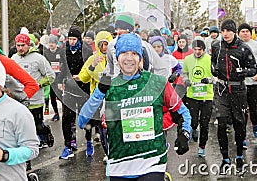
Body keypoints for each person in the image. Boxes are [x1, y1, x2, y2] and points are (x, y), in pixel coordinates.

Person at [78, 33, 192, 180]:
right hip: (119, 164)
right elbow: (82, 121)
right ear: (117, 58)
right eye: (124, 53)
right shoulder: (109, 86)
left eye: (134, 53)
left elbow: (183, 113)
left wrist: (185, 134)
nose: (129, 58)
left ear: (140, 58)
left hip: (152, 161)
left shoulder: (157, 82)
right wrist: (99, 92)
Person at [211, 19, 257, 174]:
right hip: (222, 90)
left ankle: (238, 156)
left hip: (238, 90)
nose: (225, 34)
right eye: (223, 31)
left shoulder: (243, 48)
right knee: (222, 123)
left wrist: (244, 72)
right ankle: (225, 159)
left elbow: (254, 68)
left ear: (234, 32)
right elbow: (213, 63)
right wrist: (214, 70)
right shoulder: (216, 46)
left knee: (239, 124)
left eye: (228, 31)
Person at [11, 33, 56, 148]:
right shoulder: (14, 59)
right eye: (18, 45)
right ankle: (29, 147)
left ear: (28, 45)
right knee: (22, 127)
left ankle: (45, 132)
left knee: (37, 125)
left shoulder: (38, 58)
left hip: (35, 99)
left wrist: (38, 84)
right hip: (20, 99)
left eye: (23, 45)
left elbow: (51, 76)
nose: (20, 48)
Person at [57, 25, 93, 159]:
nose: (72, 41)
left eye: (74, 39)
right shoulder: (64, 51)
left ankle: (89, 140)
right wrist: (60, 80)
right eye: (70, 39)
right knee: (67, 118)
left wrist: (82, 77)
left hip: (83, 89)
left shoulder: (86, 50)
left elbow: (90, 68)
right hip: (70, 88)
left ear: (79, 39)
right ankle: (69, 145)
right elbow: (63, 68)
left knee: (85, 118)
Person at [78, 30, 113, 157]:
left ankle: (113, 153)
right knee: (101, 128)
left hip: (112, 99)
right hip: (97, 99)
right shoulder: (92, 59)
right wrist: (92, 66)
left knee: (112, 128)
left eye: (106, 44)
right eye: (101, 45)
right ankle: (107, 153)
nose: (104, 48)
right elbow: (83, 78)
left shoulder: (116, 57)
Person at [237, 23, 257, 143]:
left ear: (251, 33)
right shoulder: (235, 46)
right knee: (241, 110)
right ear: (238, 33)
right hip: (240, 83)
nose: (245, 33)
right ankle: (242, 135)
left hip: (254, 83)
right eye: (242, 31)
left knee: (254, 109)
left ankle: (255, 124)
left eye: (247, 31)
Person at [182, 39, 214, 158]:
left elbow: (216, 77)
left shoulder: (210, 60)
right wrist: (186, 80)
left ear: (204, 50)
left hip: (207, 96)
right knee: (193, 121)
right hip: (192, 96)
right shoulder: (188, 59)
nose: (197, 52)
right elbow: (184, 73)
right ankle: (194, 128)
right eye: (195, 49)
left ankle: (202, 146)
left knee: (205, 123)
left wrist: (209, 80)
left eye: (199, 50)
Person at [42, 35, 65, 121]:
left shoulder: (61, 51)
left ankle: (65, 113)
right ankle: (56, 113)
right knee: (52, 97)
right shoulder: (46, 52)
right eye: (50, 43)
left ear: (56, 43)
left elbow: (64, 64)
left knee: (61, 97)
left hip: (59, 77)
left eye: (53, 43)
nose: (51, 44)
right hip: (51, 77)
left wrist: (62, 76)